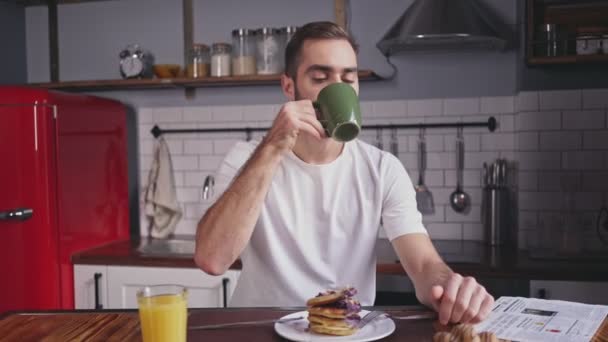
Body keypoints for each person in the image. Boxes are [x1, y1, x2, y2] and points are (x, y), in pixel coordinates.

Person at [195, 21, 494, 325]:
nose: (336, 89)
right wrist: (272, 147)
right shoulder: (246, 159)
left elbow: (423, 264)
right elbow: (212, 259)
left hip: (346, 331)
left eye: (347, 79)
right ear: (289, 86)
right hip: (259, 328)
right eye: (321, 77)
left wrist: (450, 287)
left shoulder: (382, 169)